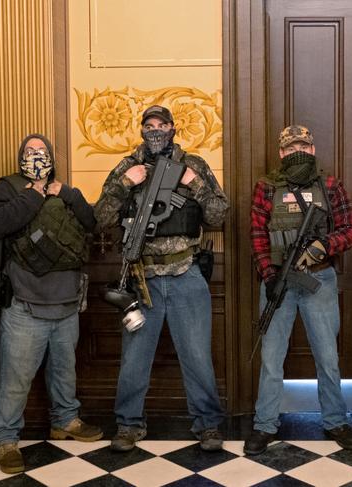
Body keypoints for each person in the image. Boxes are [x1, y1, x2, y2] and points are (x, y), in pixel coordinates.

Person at [95, 105, 228, 452]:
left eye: (162, 125)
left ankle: (208, 425)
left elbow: (219, 213)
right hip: (143, 278)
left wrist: (193, 182)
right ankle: (128, 425)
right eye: (148, 125)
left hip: (186, 274)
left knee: (198, 356)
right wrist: (127, 182)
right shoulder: (129, 165)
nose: (155, 131)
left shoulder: (193, 164)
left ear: (172, 127)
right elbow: (101, 216)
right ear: (141, 130)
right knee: (134, 359)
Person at [0, 134, 101, 474]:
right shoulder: (9, 187)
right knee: (15, 377)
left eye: (42, 151)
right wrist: (32, 194)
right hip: (24, 304)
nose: (36, 156)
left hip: (66, 301)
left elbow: (92, 223)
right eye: (30, 151)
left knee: (65, 369)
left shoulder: (65, 190)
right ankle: (5, 438)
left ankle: (65, 421)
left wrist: (70, 195)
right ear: (20, 157)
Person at [244, 125, 352, 455]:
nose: (298, 152)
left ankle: (335, 420)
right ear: (281, 153)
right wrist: (269, 275)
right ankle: (265, 424)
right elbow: (258, 235)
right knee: (270, 358)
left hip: (318, 280)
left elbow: (350, 230)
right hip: (279, 281)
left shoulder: (329, 185)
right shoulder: (266, 188)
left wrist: (324, 246)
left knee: (327, 356)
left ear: (313, 149)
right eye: (291, 148)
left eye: (304, 146)